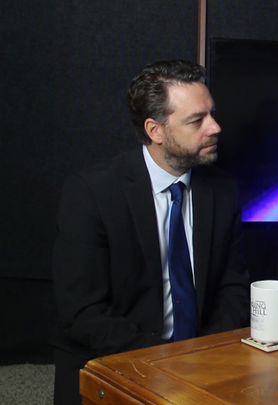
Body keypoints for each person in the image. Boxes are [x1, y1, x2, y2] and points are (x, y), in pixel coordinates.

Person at [50, 60, 250, 404]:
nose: (215, 127)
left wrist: (203, 356)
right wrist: (167, 362)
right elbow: (83, 312)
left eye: (212, 113)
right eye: (196, 120)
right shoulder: (91, 193)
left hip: (201, 359)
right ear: (155, 130)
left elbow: (234, 287)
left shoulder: (222, 190)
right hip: (117, 360)